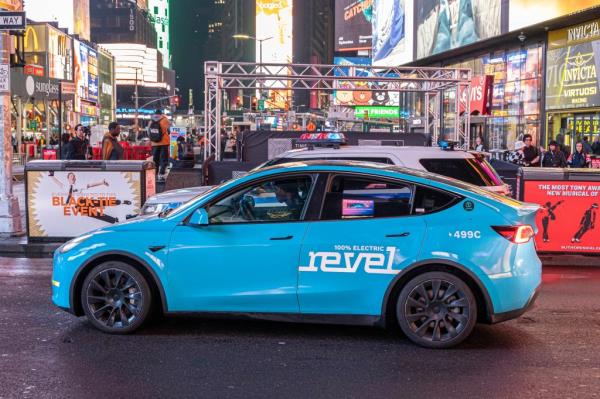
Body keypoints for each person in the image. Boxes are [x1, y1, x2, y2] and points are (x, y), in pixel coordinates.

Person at [149, 109, 171, 181]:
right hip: (164, 142)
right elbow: (168, 130)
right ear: (161, 114)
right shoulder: (165, 120)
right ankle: (161, 174)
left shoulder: (151, 121)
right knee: (164, 159)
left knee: (155, 159)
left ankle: (154, 174)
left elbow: (148, 132)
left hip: (154, 143)